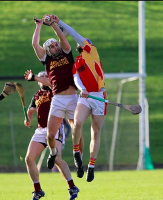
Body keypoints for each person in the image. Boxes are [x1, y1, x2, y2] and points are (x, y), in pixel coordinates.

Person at [50, 15, 108, 182]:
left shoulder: (92, 50)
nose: (81, 41)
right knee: (77, 121)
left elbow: (74, 34)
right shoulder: (77, 62)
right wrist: (82, 89)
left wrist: (60, 23)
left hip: (99, 96)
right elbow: (76, 78)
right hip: (86, 95)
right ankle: (77, 152)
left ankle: (91, 166)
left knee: (95, 132)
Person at [26, 14, 84, 178]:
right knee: (50, 134)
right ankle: (52, 153)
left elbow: (62, 37)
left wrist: (52, 24)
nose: (54, 47)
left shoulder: (66, 52)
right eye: (50, 46)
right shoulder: (46, 60)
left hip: (72, 97)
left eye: (55, 44)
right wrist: (38, 26)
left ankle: (79, 159)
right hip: (58, 99)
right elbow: (34, 44)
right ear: (47, 50)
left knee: (77, 129)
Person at [24, 71, 79, 200]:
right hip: (40, 130)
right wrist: (28, 119)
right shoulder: (36, 95)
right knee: (29, 159)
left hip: (55, 128)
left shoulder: (54, 91)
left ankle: (72, 187)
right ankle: (37, 190)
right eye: (41, 77)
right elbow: (31, 111)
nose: (44, 78)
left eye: (46, 76)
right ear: (38, 82)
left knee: (57, 159)